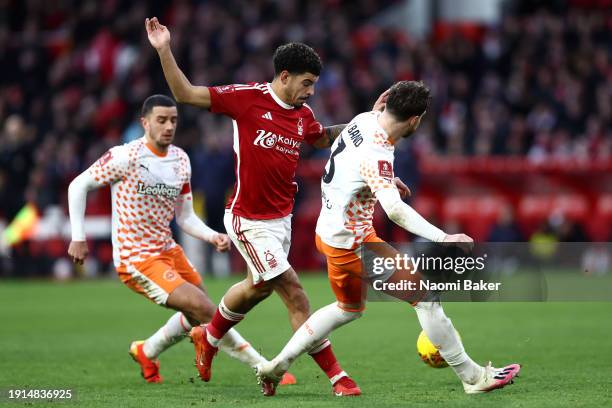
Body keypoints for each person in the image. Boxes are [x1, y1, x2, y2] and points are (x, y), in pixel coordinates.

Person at [144, 17, 391, 396]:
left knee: (256, 288)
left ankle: (207, 338)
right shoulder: (246, 98)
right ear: (285, 75)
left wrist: (371, 121)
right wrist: (163, 49)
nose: (310, 92)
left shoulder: (303, 116)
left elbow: (323, 138)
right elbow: (185, 93)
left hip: (281, 220)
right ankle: (338, 378)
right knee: (295, 293)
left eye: (314, 85)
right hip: (246, 218)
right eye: (306, 83)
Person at [255, 81, 521, 395]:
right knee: (426, 299)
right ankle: (473, 377)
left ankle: (275, 366)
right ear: (415, 121)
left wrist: (385, 181)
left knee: (348, 308)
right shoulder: (378, 150)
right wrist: (443, 236)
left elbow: (353, 161)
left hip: (328, 234)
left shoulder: (363, 120)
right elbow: (394, 210)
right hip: (355, 242)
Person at [67, 95, 289, 385]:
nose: (168, 126)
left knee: (199, 312)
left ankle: (147, 351)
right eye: (161, 120)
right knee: (208, 310)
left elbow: (184, 216)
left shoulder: (180, 159)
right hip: (137, 257)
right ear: (144, 123)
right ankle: (263, 367)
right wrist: (78, 237)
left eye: (173, 120)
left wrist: (212, 236)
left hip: (168, 249)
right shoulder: (126, 156)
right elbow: (78, 185)